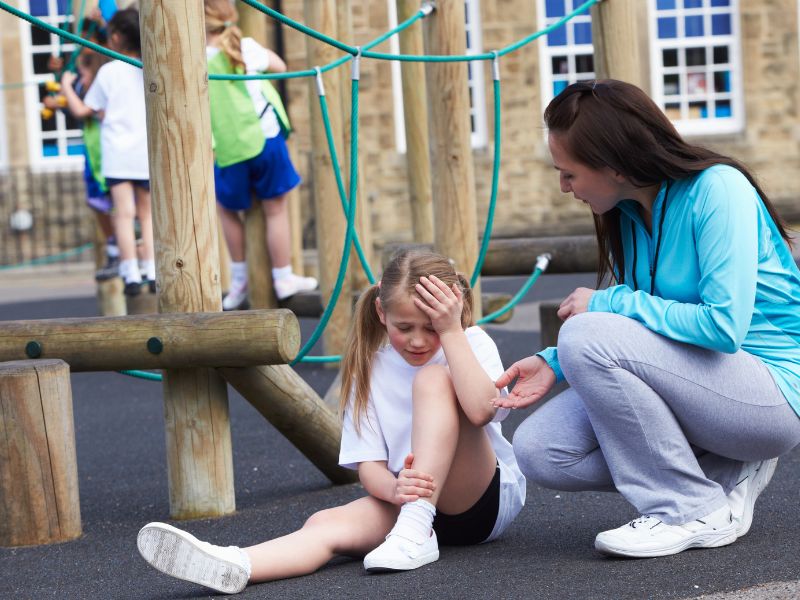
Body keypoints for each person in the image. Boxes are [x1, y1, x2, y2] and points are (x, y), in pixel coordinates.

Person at [496, 79, 800, 559]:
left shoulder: (719, 189)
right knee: (541, 450)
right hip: (698, 386)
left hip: (771, 395)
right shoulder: (630, 213)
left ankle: (689, 508)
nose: (563, 187)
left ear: (614, 165)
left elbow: (723, 328)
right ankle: (720, 472)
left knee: (587, 330)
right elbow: (639, 332)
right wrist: (554, 362)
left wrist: (610, 303)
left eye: (569, 173)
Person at [136, 250, 525, 594]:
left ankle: (417, 527)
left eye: (432, 327)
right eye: (404, 328)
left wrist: (452, 331)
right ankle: (235, 563)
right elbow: (370, 468)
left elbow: (481, 411)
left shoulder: (470, 342)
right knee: (325, 523)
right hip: (405, 503)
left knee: (433, 380)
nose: (419, 341)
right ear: (381, 313)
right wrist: (395, 489)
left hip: (476, 503)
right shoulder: (369, 369)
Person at [204, 0, 316, 309]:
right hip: (265, 137)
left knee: (227, 209)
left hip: (230, 146)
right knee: (275, 210)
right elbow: (280, 66)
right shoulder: (246, 46)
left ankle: (239, 278)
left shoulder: (196, 58)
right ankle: (283, 276)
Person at [61, 8, 154, 296]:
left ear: (115, 38)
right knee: (147, 215)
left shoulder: (109, 72)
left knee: (123, 215)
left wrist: (66, 86)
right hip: (144, 152)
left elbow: (83, 110)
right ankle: (152, 269)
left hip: (118, 154)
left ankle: (130, 273)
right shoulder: (149, 67)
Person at [46, 42, 120, 282]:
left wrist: (65, 87)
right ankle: (115, 249)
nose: (81, 78)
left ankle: (125, 254)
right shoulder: (85, 83)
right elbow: (75, 107)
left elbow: (81, 109)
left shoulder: (103, 83)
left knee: (119, 205)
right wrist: (61, 93)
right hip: (94, 155)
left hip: (109, 153)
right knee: (98, 202)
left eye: (83, 74)